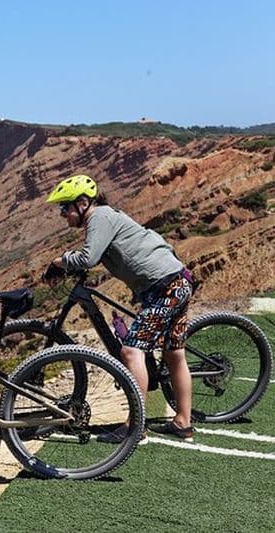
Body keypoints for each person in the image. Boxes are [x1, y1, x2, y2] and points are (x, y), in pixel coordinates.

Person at [44, 174, 195, 442]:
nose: (62, 215)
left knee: (131, 350)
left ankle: (135, 427)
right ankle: (183, 423)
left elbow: (87, 257)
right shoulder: (103, 218)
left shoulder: (99, 217)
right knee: (174, 353)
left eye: (64, 208)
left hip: (165, 287)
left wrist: (58, 262)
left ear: (82, 203)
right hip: (177, 280)